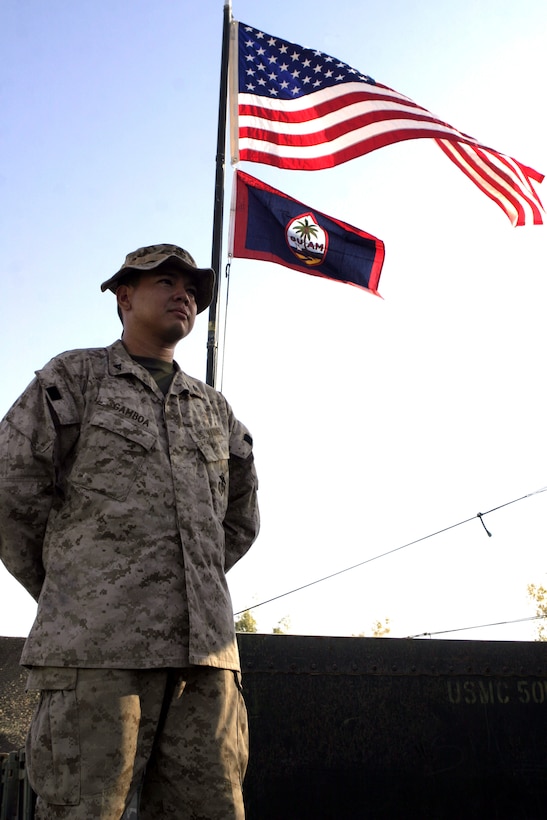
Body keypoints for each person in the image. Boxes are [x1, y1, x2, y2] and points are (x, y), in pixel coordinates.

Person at [0, 244, 260, 819]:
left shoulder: (215, 409)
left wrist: (190, 587)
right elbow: (10, 491)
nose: (183, 295)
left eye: (193, 290)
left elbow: (240, 520)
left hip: (205, 664)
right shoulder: (74, 377)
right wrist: (74, 589)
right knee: (84, 811)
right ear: (124, 296)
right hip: (96, 657)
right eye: (166, 281)